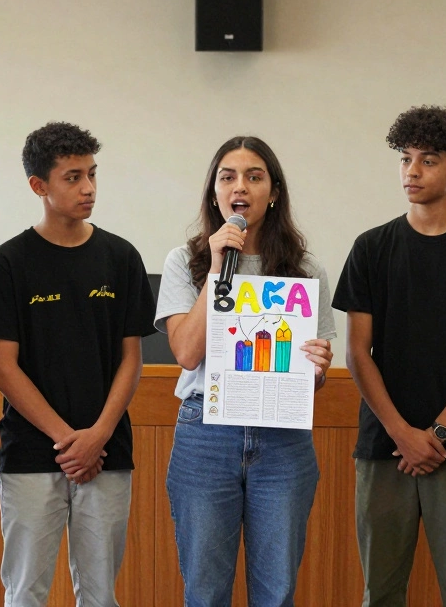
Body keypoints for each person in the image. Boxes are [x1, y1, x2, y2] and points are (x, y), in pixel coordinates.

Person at [333, 105, 446, 607]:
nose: (411, 172)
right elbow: (357, 354)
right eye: (405, 159)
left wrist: (434, 435)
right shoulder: (371, 248)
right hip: (382, 446)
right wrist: (402, 434)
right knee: (381, 593)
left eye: (428, 160)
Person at [0, 122, 155, 607]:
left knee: (100, 594)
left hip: (107, 452)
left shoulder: (121, 257)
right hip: (32, 455)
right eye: (73, 177)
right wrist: (66, 439)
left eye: (92, 174)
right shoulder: (8, 263)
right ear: (39, 186)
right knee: (26, 591)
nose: (88, 188)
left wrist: (94, 438)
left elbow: (130, 359)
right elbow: (3, 369)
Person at [156, 135, 336, 607]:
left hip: (282, 438)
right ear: (214, 193)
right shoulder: (186, 261)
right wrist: (217, 268)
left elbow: (311, 378)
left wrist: (317, 367)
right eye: (228, 177)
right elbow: (187, 354)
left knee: (276, 592)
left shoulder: (303, 268)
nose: (241, 186)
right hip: (205, 434)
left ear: (273, 191)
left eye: (255, 177)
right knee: (206, 591)